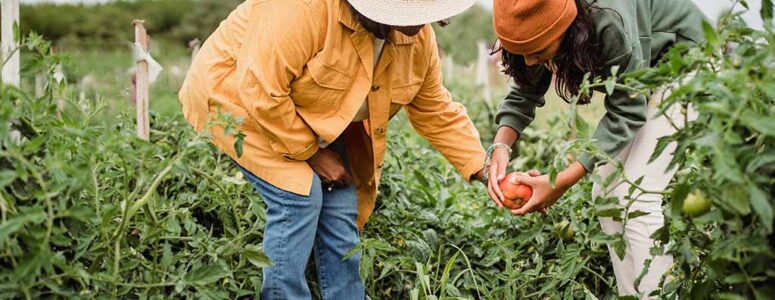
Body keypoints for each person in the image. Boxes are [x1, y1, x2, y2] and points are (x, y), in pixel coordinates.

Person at [178, 0, 486, 298]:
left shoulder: (417, 38)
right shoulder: (303, 9)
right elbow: (262, 91)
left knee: (341, 204)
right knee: (299, 196)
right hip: (239, 102)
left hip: (310, 110)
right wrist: (313, 154)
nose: (420, 21)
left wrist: (483, 167)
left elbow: (435, 109)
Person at [486, 0, 706, 297]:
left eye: (537, 51)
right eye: (521, 51)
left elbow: (627, 110)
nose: (529, 62)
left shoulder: (608, 18)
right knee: (604, 193)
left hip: (688, 64)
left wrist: (559, 181)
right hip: (648, 73)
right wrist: (501, 146)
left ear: (566, 28)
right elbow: (526, 88)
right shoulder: (542, 19)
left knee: (637, 196)